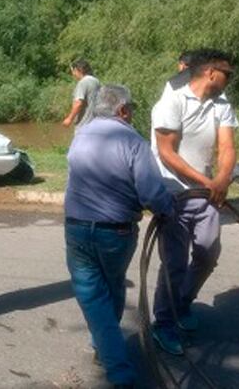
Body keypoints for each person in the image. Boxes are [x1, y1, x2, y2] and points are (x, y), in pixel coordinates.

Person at [65, 85, 174, 388]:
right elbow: (152, 193)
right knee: (105, 293)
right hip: (116, 233)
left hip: (76, 228)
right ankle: (120, 372)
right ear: (123, 110)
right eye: (132, 109)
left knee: (97, 293)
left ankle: (103, 343)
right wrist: (168, 210)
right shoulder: (133, 142)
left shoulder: (80, 135)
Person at [150, 49, 238, 356]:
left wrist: (223, 178)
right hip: (173, 193)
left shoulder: (221, 104)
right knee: (174, 263)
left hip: (207, 192)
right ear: (212, 72)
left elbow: (226, 146)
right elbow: (167, 153)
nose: (231, 79)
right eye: (229, 73)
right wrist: (208, 183)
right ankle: (163, 324)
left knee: (208, 251)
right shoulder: (172, 100)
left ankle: (182, 303)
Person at [62, 59, 101, 128]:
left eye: (73, 71)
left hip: (83, 124)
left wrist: (69, 119)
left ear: (78, 70)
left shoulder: (83, 82)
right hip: (95, 123)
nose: (73, 74)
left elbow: (78, 103)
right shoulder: (96, 81)